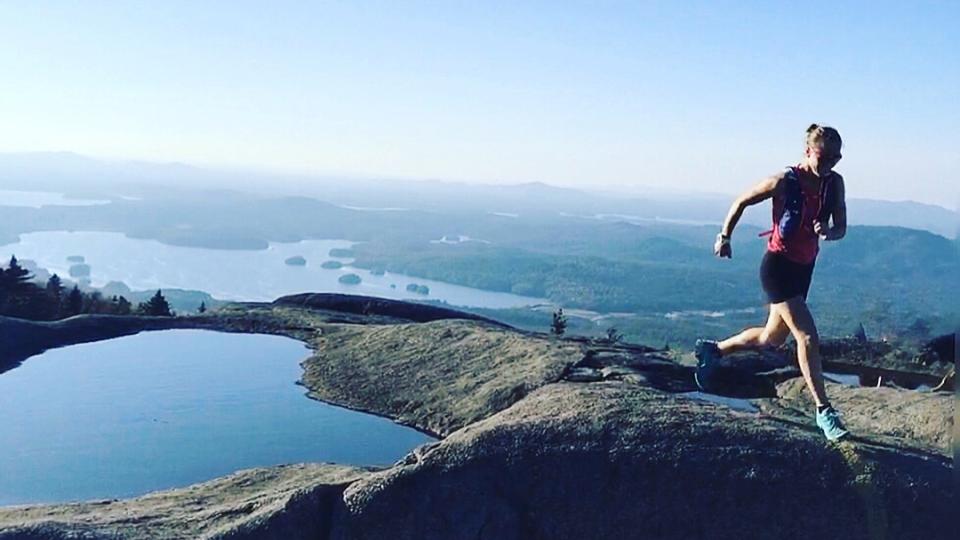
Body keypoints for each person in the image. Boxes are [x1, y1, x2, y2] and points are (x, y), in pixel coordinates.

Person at [696, 124, 849, 441]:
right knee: (807, 337)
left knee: (771, 339)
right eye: (823, 157)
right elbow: (742, 201)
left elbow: (841, 228)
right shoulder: (784, 181)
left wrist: (827, 231)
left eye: (835, 158)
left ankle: (714, 350)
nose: (829, 164)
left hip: (804, 267)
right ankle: (824, 411)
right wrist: (724, 236)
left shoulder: (834, 185)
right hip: (777, 267)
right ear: (808, 151)